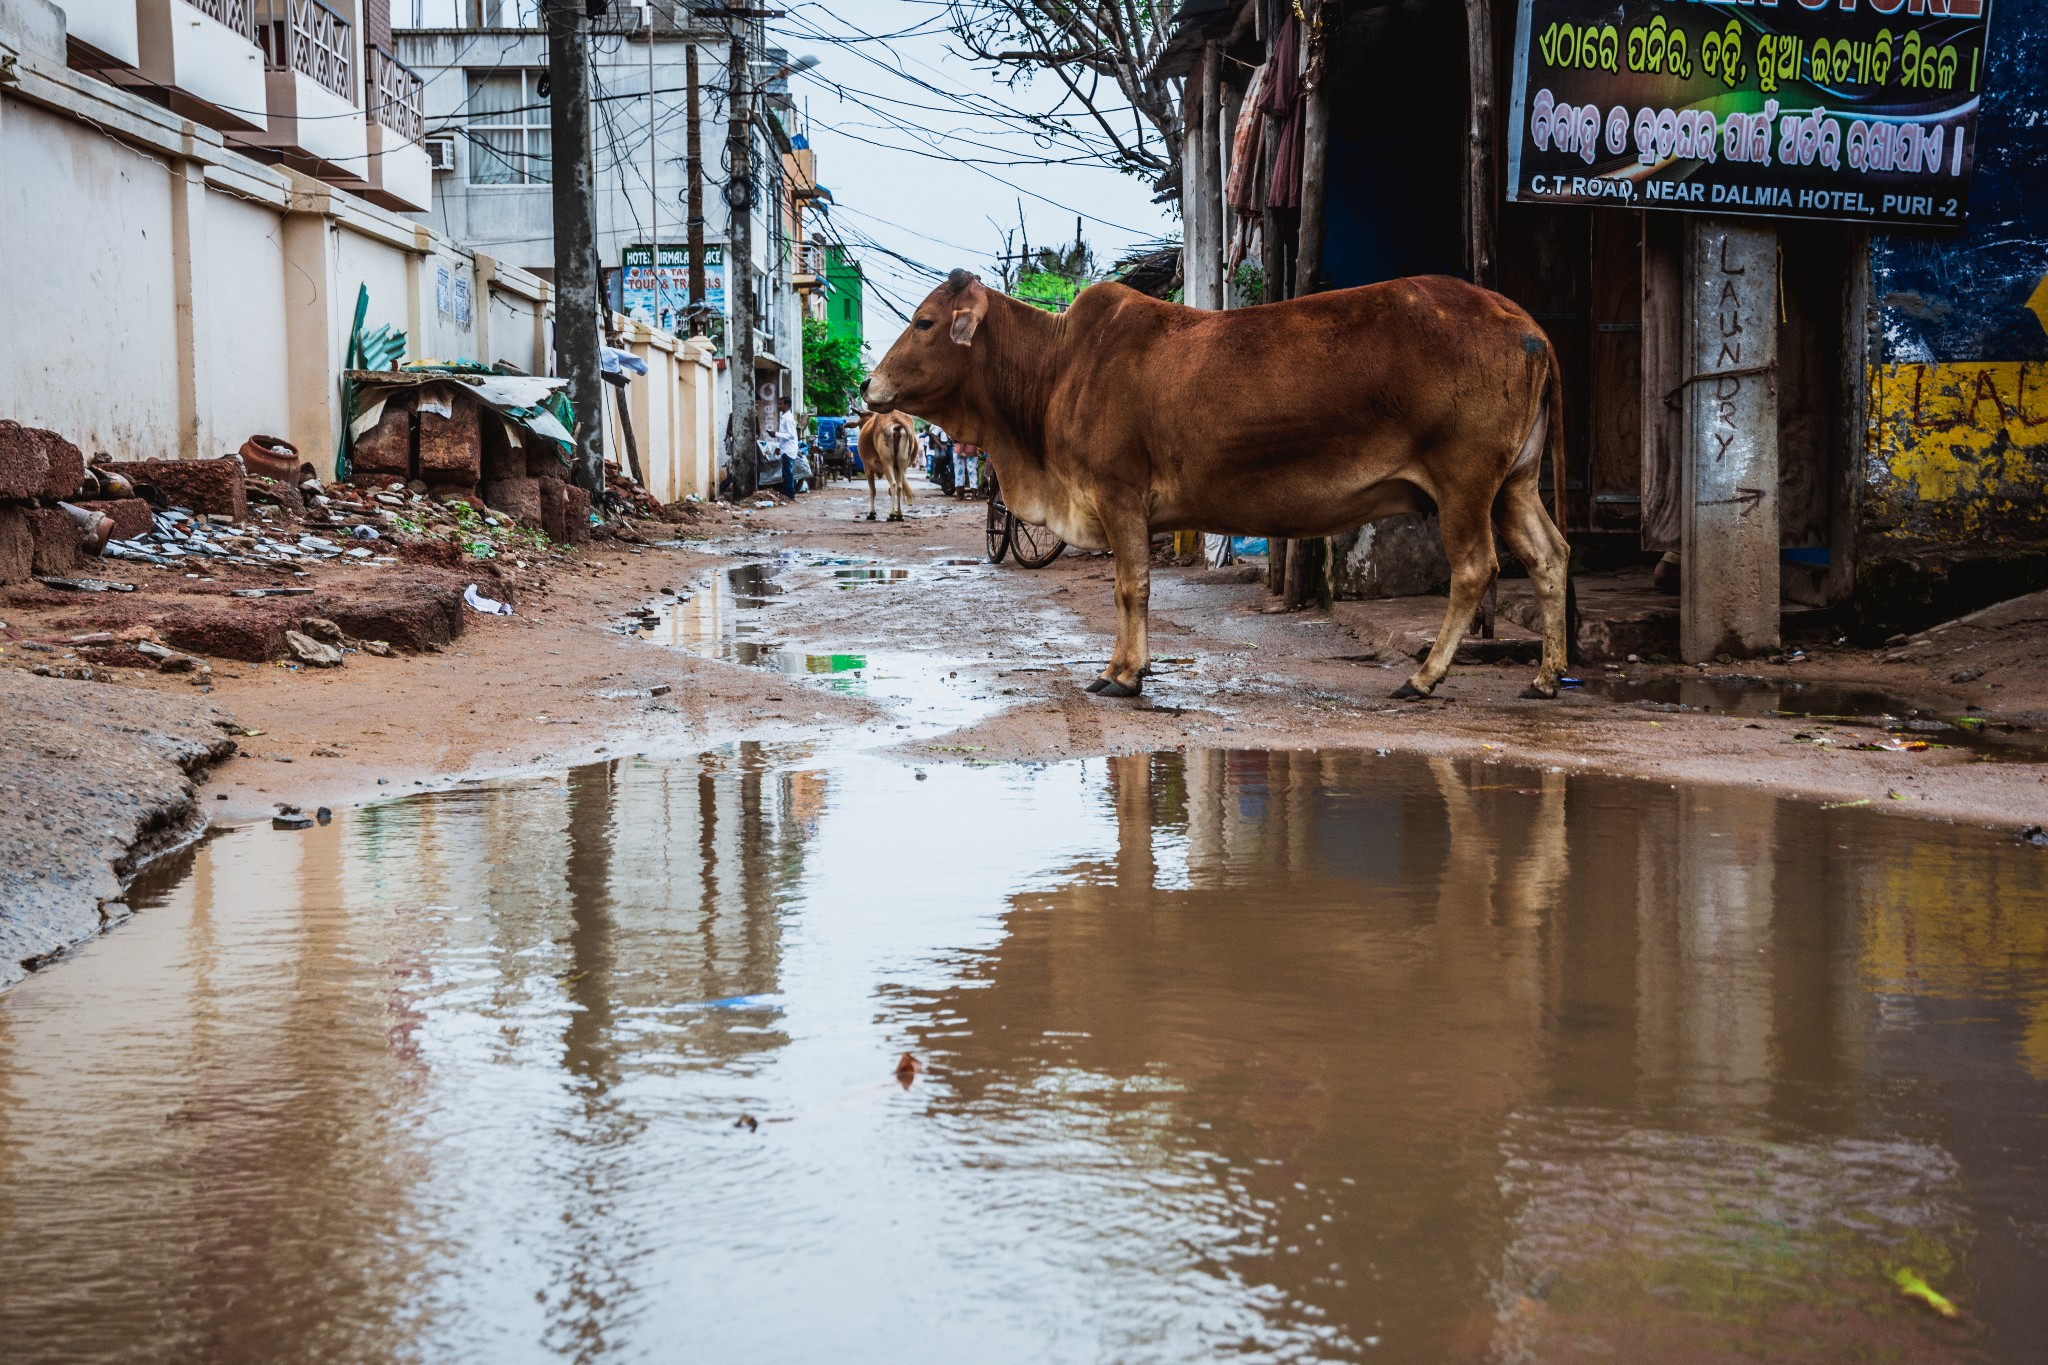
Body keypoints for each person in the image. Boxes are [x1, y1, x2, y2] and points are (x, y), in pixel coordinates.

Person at [775, 396, 800, 496]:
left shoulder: (788, 418)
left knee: (787, 472)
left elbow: (790, 435)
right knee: (786, 472)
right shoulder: (785, 417)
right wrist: (779, 446)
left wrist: (775, 434)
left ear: (786, 405)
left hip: (788, 449)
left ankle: (790, 493)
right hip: (785, 448)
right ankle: (787, 491)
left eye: (781, 404)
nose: (779, 406)